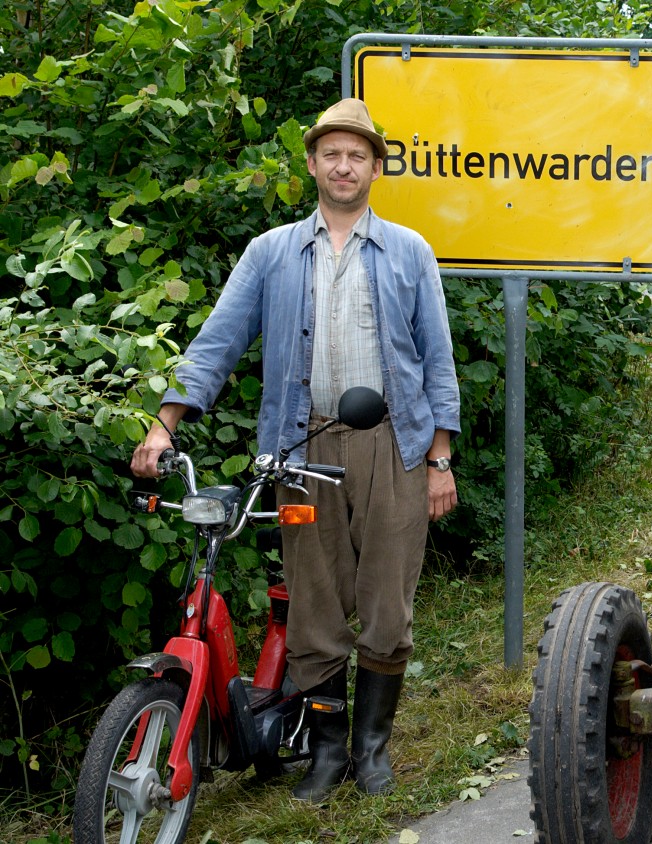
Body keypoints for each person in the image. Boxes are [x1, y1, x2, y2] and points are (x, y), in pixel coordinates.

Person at [130, 98, 461, 802]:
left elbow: (438, 361)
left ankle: (371, 752)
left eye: (358, 155)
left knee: (386, 607)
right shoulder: (272, 252)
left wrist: (439, 459)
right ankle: (327, 751)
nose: (344, 166)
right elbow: (217, 343)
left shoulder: (409, 250)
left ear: (375, 167)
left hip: (395, 446)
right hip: (301, 447)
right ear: (312, 163)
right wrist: (165, 423)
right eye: (331, 154)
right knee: (312, 607)